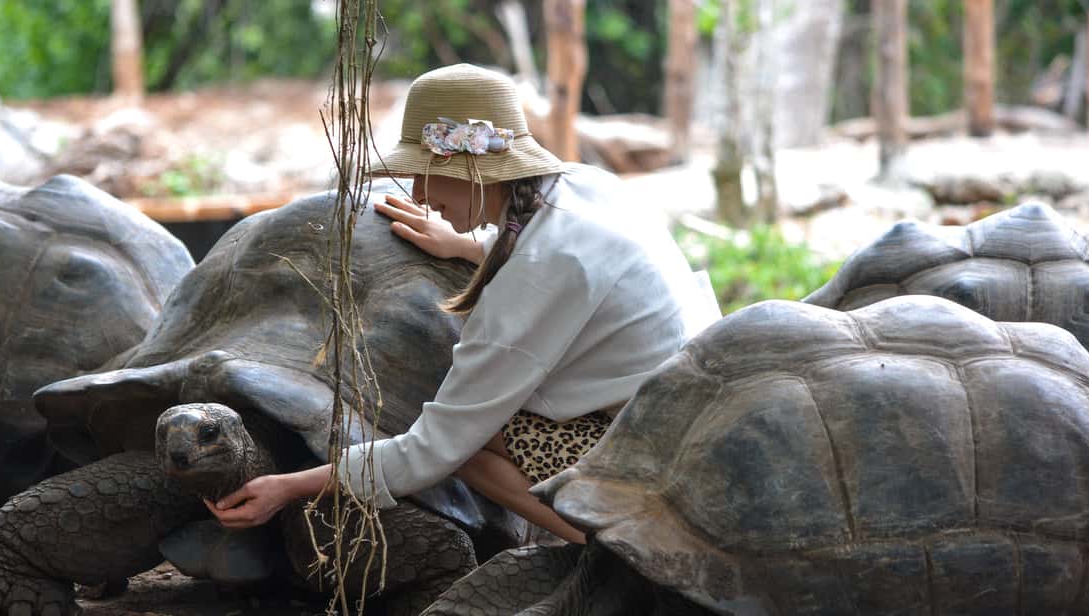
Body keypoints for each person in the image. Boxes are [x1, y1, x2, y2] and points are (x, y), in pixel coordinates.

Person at [205, 63, 717, 544]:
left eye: (425, 172)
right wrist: (470, 246)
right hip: (700, 420)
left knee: (468, 447)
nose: (419, 193)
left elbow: (433, 449)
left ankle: (621, 546)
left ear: (474, 167)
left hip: (659, 459)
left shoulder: (533, 280)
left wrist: (289, 487)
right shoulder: (585, 186)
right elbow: (570, 260)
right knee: (478, 427)